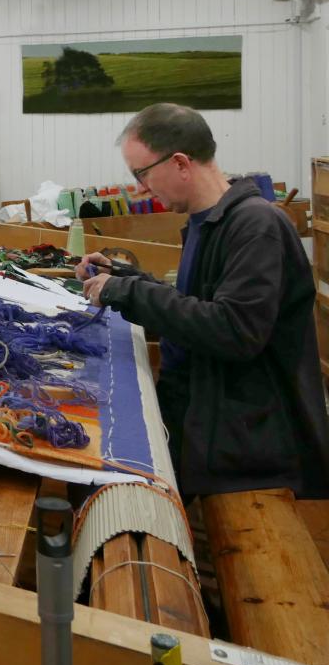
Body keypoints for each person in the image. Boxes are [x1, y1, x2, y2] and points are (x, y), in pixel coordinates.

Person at [77, 103, 329, 499]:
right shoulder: (206, 224)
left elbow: (234, 330)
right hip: (211, 426)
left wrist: (127, 291)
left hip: (250, 452)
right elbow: (194, 305)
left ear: (180, 162)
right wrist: (123, 277)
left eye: (141, 174)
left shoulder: (256, 226)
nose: (141, 189)